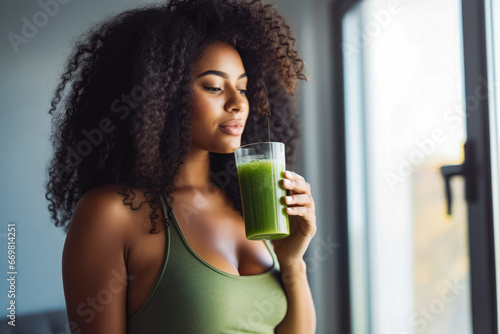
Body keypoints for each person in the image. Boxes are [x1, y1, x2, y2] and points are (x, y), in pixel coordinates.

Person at [45, 0, 317, 333]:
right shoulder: (111, 214)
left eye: (243, 88)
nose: (238, 103)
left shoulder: (248, 204)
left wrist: (292, 263)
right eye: (214, 87)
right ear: (160, 96)